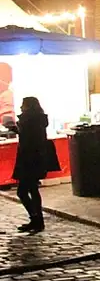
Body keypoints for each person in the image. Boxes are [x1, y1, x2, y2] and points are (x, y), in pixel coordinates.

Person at [11, 97, 59, 233]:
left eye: (23, 105)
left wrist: (16, 128)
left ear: (28, 107)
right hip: (35, 160)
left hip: (29, 160)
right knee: (32, 189)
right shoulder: (37, 119)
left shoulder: (29, 120)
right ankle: (37, 220)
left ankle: (36, 219)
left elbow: (28, 138)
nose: (20, 107)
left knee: (23, 191)